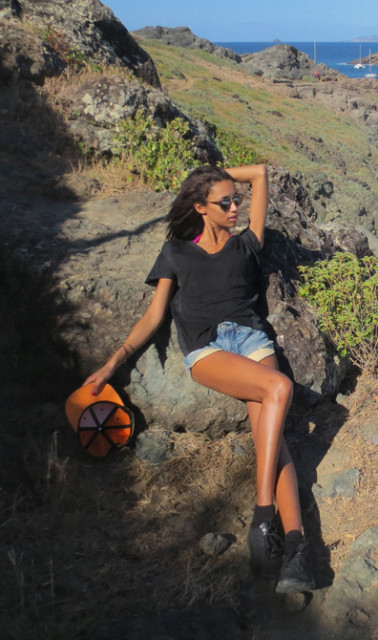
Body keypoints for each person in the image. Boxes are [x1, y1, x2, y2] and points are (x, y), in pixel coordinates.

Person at [83, 164, 315, 593]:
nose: (234, 206)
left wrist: (211, 176)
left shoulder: (247, 242)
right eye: (224, 202)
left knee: (271, 435)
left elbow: (260, 174)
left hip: (251, 339)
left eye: (235, 200)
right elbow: (154, 316)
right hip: (207, 347)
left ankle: (297, 551)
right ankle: (265, 516)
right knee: (279, 387)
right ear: (200, 208)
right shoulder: (176, 252)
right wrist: (113, 363)